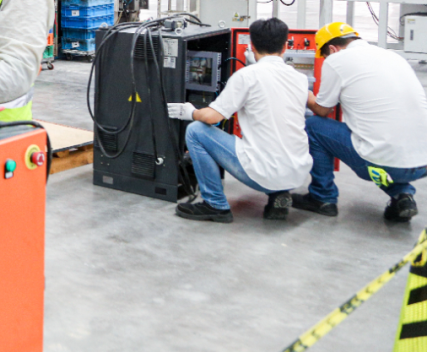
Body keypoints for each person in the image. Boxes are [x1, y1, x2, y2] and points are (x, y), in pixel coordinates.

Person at [167, 17, 312, 222]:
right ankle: (279, 195)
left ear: (252, 45)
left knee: (195, 131)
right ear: (285, 46)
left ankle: (215, 204)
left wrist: (190, 111)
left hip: (264, 173)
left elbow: (212, 117)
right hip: (298, 173)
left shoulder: (247, 76)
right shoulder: (299, 78)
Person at [295, 23, 427, 222]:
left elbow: (322, 109)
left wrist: (301, 90)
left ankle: (322, 198)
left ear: (332, 49)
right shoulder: (392, 56)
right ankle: (402, 196)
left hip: (385, 163)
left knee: (314, 126)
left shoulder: (337, 60)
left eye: (325, 56)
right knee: (383, 142)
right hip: (422, 162)